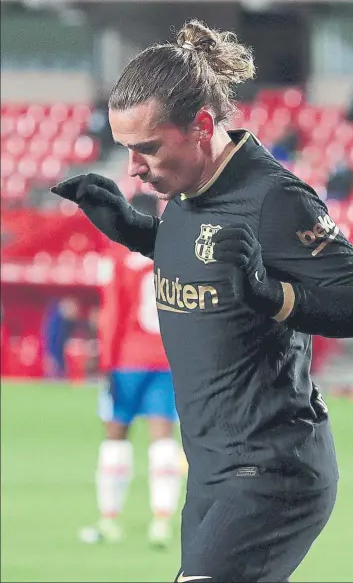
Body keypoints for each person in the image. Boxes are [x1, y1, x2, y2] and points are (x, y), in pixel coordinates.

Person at [52, 19, 353, 582]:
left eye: (147, 148)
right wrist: (135, 231)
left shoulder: (275, 199)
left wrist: (270, 294)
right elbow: (209, 261)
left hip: (272, 471)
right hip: (211, 470)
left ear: (202, 126)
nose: (134, 167)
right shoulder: (185, 187)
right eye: (126, 150)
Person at [79, 192, 182, 547]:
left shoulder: (119, 256)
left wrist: (105, 363)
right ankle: (162, 522)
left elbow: (112, 315)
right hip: (168, 358)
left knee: (116, 437)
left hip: (126, 361)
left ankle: (109, 522)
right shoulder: (173, 254)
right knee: (163, 438)